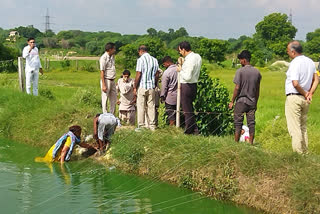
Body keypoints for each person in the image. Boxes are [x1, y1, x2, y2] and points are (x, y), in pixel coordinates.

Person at [285, 41, 319, 154]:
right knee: (303, 127)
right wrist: (310, 93)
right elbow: (317, 80)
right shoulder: (310, 62)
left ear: (293, 52)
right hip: (305, 100)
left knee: (295, 128)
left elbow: (295, 83)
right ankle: (305, 152)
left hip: (294, 97)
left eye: (288, 51)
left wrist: (305, 93)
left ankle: (298, 155)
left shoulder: (295, 63)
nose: (288, 53)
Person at [228, 50, 261, 145]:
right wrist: (256, 102)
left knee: (238, 122)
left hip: (241, 101)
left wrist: (232, 101)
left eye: (240, 60)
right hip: (252, 102)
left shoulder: (240, 71)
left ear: (244, 60)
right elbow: (257, 90)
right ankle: (251, 143)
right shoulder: (257, 72)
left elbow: (237, 87)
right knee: (251, 123)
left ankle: (236, 143)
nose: (239, 62)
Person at [177, 41, 202, 134]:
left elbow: (187, 76)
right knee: (190, 109)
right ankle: (195, 130)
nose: (180, 52)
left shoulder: (189, 60)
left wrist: (180, 70)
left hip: (187, 85)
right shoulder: (197, 57)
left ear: (183, 49)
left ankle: (189, 130)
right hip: (194, 84)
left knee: (187, 110)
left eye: (180, 50)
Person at [133, 45, 160, 131]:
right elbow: (157, 74)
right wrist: (155, 84)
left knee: (141, 106)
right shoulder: (154, 60)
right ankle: (152, 126)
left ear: (140, 51)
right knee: (151, 106)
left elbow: (138, 74)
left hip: (142, 86)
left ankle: (141, 126)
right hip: (151, 86)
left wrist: (135, 87)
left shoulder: (140, 60)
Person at [99, 42, 117, 114]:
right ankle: (105, 114)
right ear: (110, 49)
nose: (114, 50)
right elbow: (102, 71)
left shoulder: (112, 57)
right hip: (106, 79)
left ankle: (112, 114)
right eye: (113, 49)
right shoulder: (103, 58)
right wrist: (103, 84)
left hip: (112, 79)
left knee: (113, 98)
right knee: (105, 98)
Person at [160, 56, 178, 126]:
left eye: (164, 64)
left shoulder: (167, 72)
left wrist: (162, 96)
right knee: (178, 113)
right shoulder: (179, 69)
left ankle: (172, 128)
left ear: (167, 63)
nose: (164, 66)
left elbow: (164, 86)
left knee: (171, 114)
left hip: (170, 97)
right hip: (180, 96)